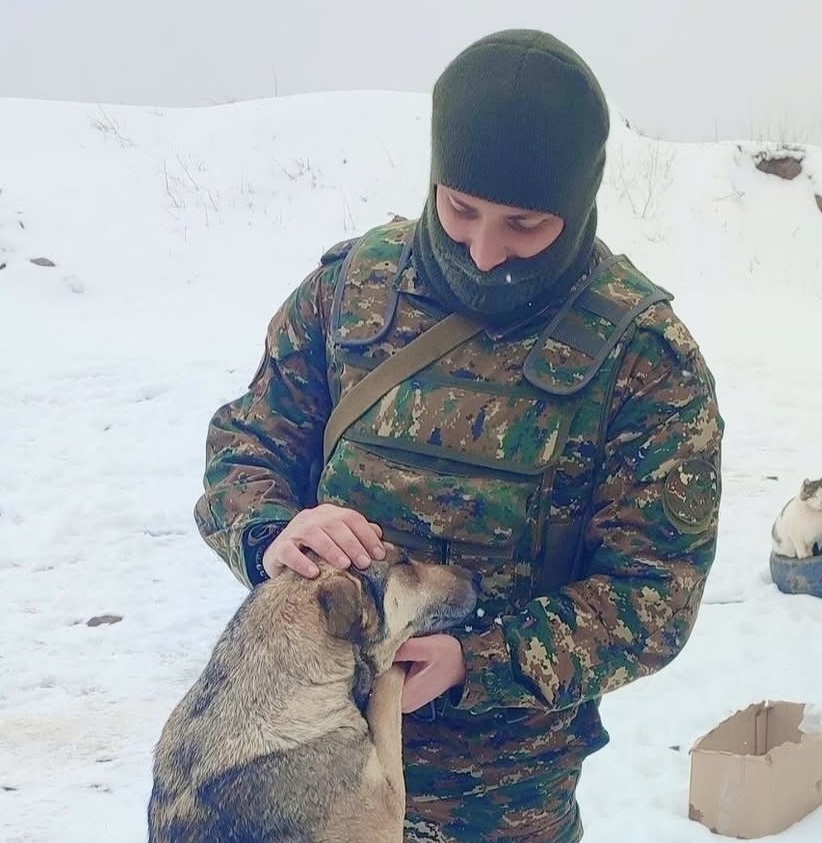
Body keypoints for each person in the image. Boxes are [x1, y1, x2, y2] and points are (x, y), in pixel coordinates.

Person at [192, 27, 724, 843]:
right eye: (460, 207)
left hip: (502, 798)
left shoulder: (644, 358)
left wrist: (478, 659)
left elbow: (654, 594)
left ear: (579, 201)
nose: (483, 250)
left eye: (525, 223)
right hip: (299, 776)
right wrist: (272, 531)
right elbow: (247, 442)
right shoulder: (351, 288)